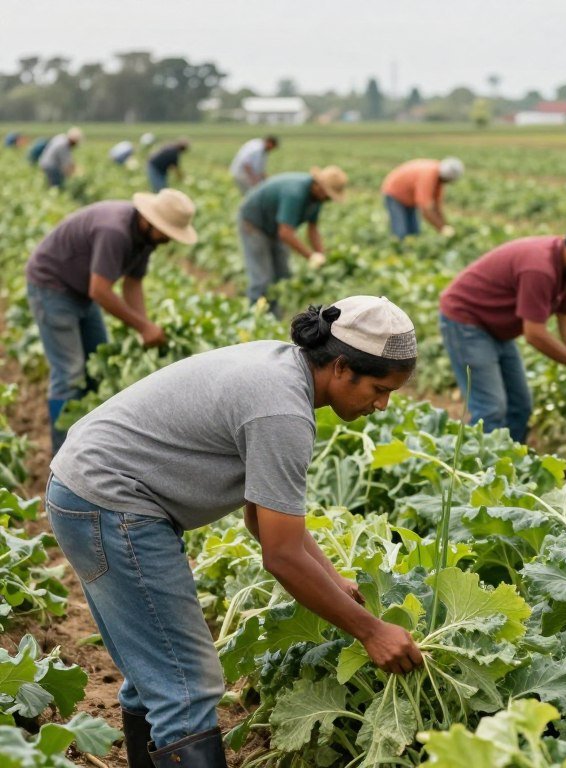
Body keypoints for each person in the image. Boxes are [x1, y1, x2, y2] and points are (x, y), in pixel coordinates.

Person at [45, 296, 424, 767]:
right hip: (111, 503)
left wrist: (334, 580)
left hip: (85, 491)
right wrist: (371, 632)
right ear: (341, 367)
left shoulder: (281, 369)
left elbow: (260, 520)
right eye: (379, 389)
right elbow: (281, 556)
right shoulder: (282, 412)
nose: (383, 405)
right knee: (187, 686)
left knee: (158, 677)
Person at [25, 189, 197, 453]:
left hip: (81, 291)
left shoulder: (146, 239)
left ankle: (90, 442)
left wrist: (145, 327)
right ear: (150, 222)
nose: (168, 239)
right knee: (69, 374)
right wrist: (143, 327)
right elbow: (100, 290)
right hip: (51, 286)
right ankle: (62, 453)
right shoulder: (115, 232)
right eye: (167, 232)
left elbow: (132, 284)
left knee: (99, 364)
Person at [439, 219, 566, 443]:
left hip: (496, 327)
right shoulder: (540, 269)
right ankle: (476, 463)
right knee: (490, 408)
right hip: (466, 322)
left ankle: (511, 460)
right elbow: (534, 334)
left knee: (520, 406)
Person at [238, 166, 348, 315]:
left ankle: (273, 316)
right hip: (254, 224)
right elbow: (285, 233)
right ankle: (254, 317)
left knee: (283, 274)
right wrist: (311, 256)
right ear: (319, 186)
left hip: (274, 226)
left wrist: (321, 254)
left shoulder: (316, 199)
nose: (328, 200)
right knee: (262, 279)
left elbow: (312, 229)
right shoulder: (295, 193)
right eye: (328, 195)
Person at [381, 156, 463, 239]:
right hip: (395, 194)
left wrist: (445, 225)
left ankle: (409, 246)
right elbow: (425, 209)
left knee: (414, 232)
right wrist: (441, 228)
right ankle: (398, 245)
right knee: (401, 231)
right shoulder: (428, 176)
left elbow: (436, 206)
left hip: (409, 197)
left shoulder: (438, 179)